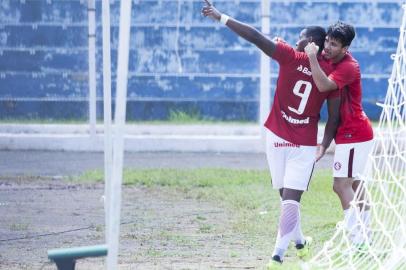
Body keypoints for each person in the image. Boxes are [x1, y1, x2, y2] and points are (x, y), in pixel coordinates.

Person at [202, 1, 341, 268]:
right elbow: (333, 116)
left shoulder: (288, 56)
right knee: (289, 201)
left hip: (276, 138)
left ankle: (276, 257)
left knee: (287, 201)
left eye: (300, 37)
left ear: (310, 41)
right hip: (302, 143)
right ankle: (300, 243)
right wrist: (324, 145)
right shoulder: (330, 73)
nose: (295, 40)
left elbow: (254, 35)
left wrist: (221, 17)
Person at [305, 21, 374, 246]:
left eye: (334, 44)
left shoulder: (348, 66)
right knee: (354, 184)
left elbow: (324, 86)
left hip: (354, 134)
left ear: (345, 49)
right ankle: (365, 238)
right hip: (351, 134)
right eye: (327, 41)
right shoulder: (329, 57)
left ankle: (357, 241)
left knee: (340, 185)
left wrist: (313, 58)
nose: (327, 47)